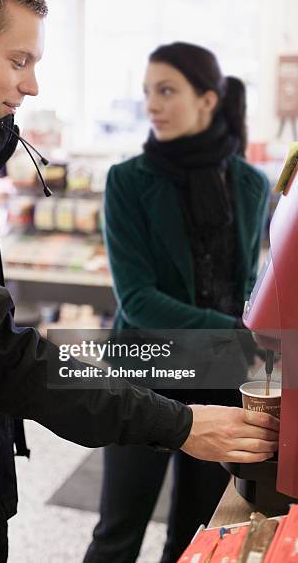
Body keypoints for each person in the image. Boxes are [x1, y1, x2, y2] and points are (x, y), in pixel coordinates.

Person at [0, 0, 277, 562]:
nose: (34, 85)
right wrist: (181, 422)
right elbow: (6, 357)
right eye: (19, 61)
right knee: (119, 526)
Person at [84, 42, 271, 563]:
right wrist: (236, 328)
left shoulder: (250, 184)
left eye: (166, 91)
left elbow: (245, 285)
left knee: (197, 531)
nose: (153, 105)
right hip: (142, 370)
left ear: (207, 100)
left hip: (218, 373)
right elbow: (139, 300)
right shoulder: (127, 180)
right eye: (148, 92)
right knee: (119, 528)